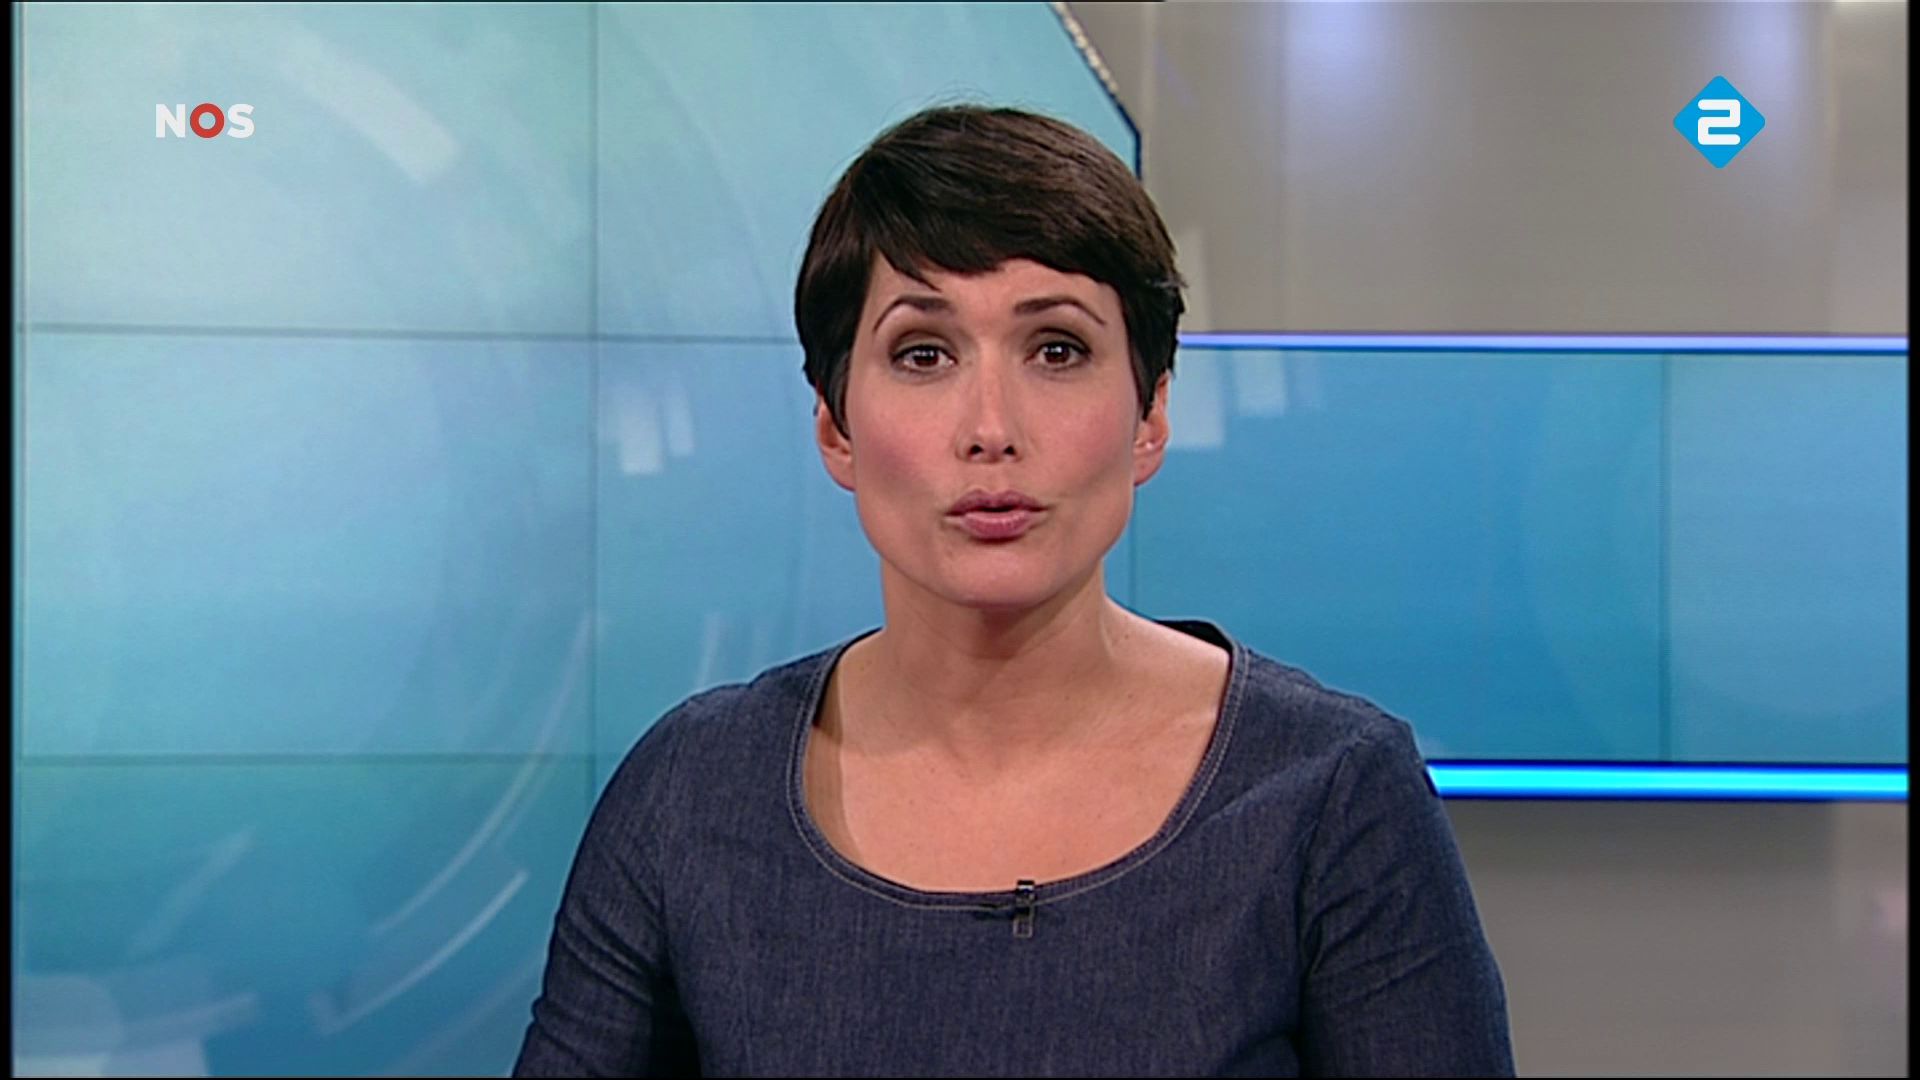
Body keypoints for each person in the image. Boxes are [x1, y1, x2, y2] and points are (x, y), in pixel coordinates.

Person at [513, 103, 1514, 1078]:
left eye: (1057, 351)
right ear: (834, 427)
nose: (991, 428)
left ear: (1151, 414)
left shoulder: (1330, 793)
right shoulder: (693, 793)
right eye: (924, 354)